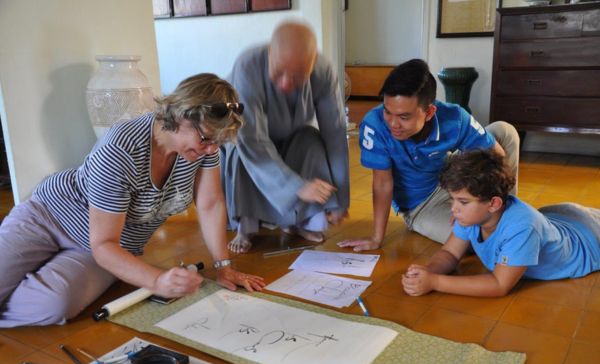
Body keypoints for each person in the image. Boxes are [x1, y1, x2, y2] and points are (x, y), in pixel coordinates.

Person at [0, 73, 265, 327]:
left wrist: (224, 266)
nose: (211, 149)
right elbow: (103, 241)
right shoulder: (121, 148)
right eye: (207, 138)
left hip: (103, 248)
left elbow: (210, 204)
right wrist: (157, 280)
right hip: (48, 216)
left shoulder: (202, 151)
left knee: (54, 305)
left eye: (218, 142)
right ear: (180, 115)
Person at [337, 59, 520, 250]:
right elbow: (382, 183)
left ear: (430, 112)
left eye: (404, 117)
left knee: (504, 131)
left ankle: (509, 210)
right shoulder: (374, 126)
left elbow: (497, 155)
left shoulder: (454, 117)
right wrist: (376, 238)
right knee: (468, 241)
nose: (393, 124)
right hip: (422, 205)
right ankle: (498, 221)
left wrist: (469, 196)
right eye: (388, 111)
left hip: (453, 176)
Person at [222, 21, 350, 253]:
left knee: (311, 140)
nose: (286, 84)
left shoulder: (323, 70)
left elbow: (336, 135)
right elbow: (253, 139)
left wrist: (342, 198)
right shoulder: (248, 64)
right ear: (270, 53)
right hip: (248, 139)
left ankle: (300, 221)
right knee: (240, 149)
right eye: (279, 72)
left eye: (299, 77)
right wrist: (296, 187)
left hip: (290, 137)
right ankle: (246, 225)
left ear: (311, 65)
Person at [402, 149, 600, 297]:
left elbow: (499, 284)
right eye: (452, 200)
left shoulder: (522, 227)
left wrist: (435, 282)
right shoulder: (471, 215)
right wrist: (429, 271)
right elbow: (450, 253)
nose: (453, 209)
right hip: (559, 216)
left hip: (590, 238)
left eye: (462, 202)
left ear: (493, 203)